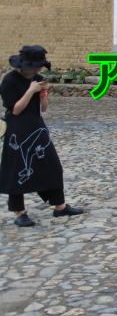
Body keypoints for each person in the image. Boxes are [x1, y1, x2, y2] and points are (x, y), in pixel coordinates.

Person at [1, 46, 84, 227]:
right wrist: (30, 90)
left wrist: (42, 93)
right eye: (35, 66)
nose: (38, 70)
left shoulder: (38, 79)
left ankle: (59, 207)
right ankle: (20, 212)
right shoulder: (9, 80)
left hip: (37, 127)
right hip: (17, 129)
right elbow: (15, 110)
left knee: (52, 165)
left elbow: (44, 108)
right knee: (18, 169)